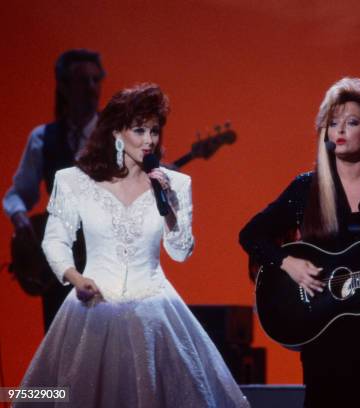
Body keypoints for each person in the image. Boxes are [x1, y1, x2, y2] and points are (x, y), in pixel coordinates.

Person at [16, 83, 249, 407]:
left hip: (154, 313)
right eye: (139, 129)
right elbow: (55, 240)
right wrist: (76, 277)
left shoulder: (175, 184)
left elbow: (180, 252)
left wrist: (170, 207)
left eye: (154, 130)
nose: (149, 139)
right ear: (116, 132)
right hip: (92, 309)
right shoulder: (74, 181)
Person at [239, 77, 360, 407]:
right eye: (333, 123)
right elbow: (251, 235)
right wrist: (288, 263)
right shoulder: (305, 189)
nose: (340, 130)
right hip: (323, 344)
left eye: (351, 122)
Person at [3, 49, 105, 331]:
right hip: (59, 262)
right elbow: (17, 194)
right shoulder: (42, 138)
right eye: (83, 81)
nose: (91, 88)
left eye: (96, 80)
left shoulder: (115, 137)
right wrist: (20, 218)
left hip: (105, 260)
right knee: (61, 344)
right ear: (63, 86)